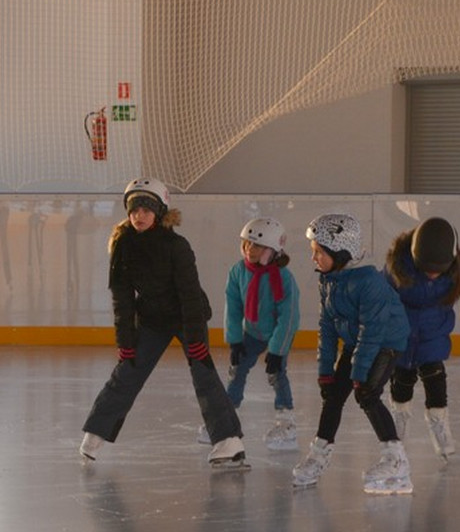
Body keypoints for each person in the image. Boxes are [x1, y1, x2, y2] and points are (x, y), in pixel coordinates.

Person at [79, 178, 249, 469]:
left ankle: (229, 442)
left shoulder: (176, 245)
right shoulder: (122, 246)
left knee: (203, 373)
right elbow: (122, 298)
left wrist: (195, 338)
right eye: (134, 209)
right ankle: (96, 432)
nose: (139, 216)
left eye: (146, 209)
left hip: (187, 315)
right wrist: (126, 342)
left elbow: (190, 294)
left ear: (159, 212)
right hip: (151, 319)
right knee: (127, 371)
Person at [292, 213, 412, 494]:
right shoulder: (329, 279)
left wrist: (358, 374)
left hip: (385, 341)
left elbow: (373, 331)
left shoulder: (370, 283)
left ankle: (396, 461)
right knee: (334, 394)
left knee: (366, 393)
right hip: (358, 341)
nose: (314, 259)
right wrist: (325, 371)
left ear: (340, 252)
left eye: (319, 252)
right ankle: (320, 453)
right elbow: (327, 326)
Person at [383, 217, 460, 461]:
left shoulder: (458, 271)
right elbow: (378, 294)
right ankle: (398, 423)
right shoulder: (397, 267)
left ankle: (439, 424)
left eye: (438, 269)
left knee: (435, 379)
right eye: (427, 267)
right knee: (402, 380)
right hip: (401, 335)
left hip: (433, 333)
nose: (432, 274)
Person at [210, 217, 300, 451]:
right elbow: (233, 307)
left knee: (277, 374)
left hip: (276, 333)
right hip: (250, 332)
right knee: (237, 370)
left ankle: (286, 421)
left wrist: (277, 351)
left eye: (257, 246)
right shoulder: (238, 271)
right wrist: (234, 340)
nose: (250, 249)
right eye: (247, 243)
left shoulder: (283, 278)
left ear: (272, 251)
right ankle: (227, 421)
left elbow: (289, 317)